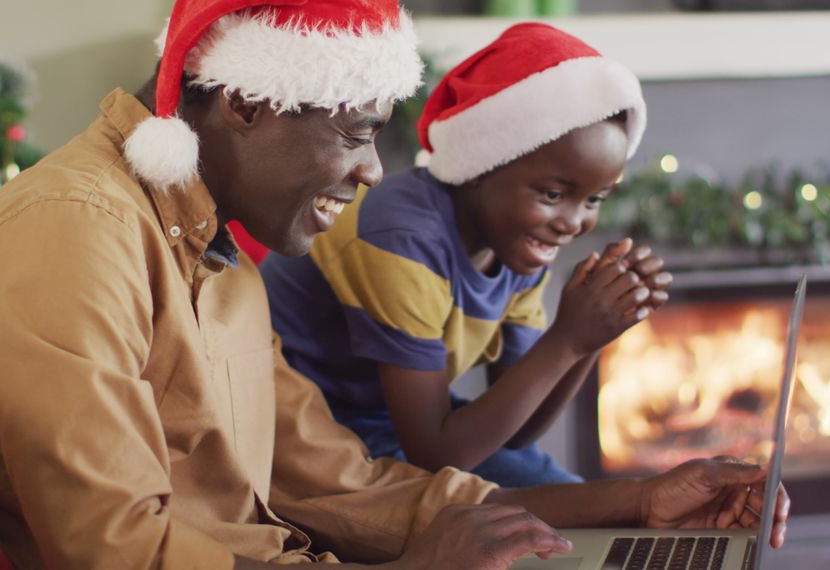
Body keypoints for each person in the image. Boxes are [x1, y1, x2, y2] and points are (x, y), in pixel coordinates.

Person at [0, 2, 789, 569]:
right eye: (355, 132)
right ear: (247, 104)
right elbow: (112, 551)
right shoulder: (77, 231)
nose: (376, 169)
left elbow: (346, 485)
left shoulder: (217, 255)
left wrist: (638, 499)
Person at [260, 23, 669, 487]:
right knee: (545, 515)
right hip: (309, 426)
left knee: (577, 499)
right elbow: (435, 454)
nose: (574, 223)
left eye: (594, 200)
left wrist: (592, 336)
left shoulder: (520, 241)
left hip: (395, 423)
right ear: (480, 165)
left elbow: (519, 433)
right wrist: (568, 340)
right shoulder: (402, 237)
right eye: (554, 194)